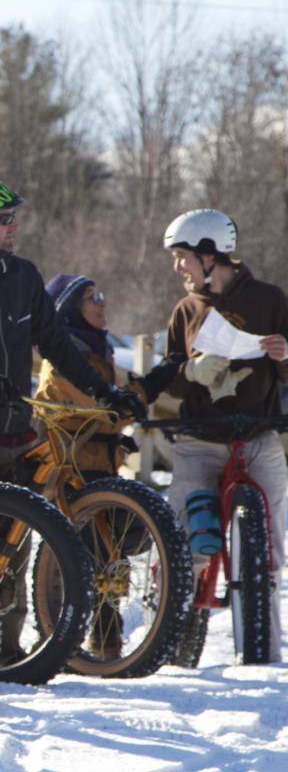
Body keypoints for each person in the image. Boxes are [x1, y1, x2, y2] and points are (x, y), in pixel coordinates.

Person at [0, 176, 144, 658]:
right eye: (3, 219)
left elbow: (57, 344)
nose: (13, 226)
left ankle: (7, 645)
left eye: (14, 217)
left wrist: (104, 391)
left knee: (11, 545)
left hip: (17, 429)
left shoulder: (21, 275)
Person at [160, 208, 288, 662]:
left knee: (270, 553)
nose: (179, 268)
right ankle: (172, 650)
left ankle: (265, 657)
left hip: (259, 438)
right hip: (199, 441)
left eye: (183, 258)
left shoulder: (271, 299)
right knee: (185, 543)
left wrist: (282, 353)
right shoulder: (185, 309)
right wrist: (189, 371)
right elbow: (170, 377)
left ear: (210, 255)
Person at [33, 273, 182, 477]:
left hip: (93, 472)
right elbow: (110, 410)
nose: (102, 304)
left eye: (100, 296)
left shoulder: (99, 356)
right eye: (93, 298)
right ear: (70, 311)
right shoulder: (62, 366)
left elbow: (111, 407)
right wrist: (151, 386)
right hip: (65, 478)